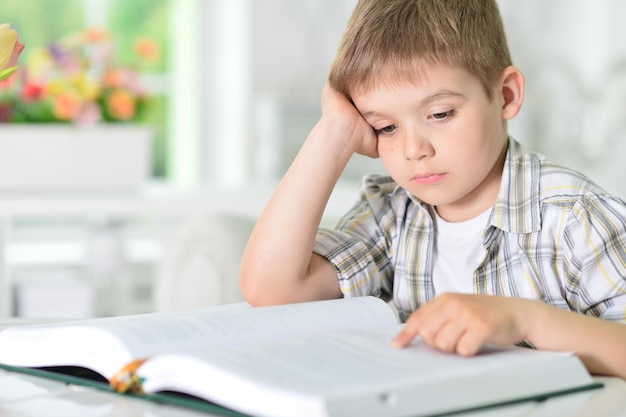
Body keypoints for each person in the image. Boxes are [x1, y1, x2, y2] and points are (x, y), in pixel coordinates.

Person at [239, 0, 626, 379]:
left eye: (440, 114)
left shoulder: (576, 219)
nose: (413, 150)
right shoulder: (392, 213)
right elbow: (271, 288)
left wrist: (525, 320)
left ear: (506, 94)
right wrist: (334, 131)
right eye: (386, 127)